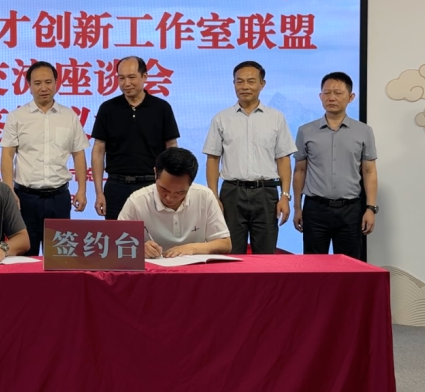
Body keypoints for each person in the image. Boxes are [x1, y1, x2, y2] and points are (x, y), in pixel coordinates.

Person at [202, 61, 296, 255]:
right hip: (232, 193)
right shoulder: (221, 118)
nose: (245, 86)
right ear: (234, 84)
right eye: (240, 81)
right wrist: (214, 196)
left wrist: (285, 196)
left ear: (262, 84)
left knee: (266, 254)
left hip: (266, 193)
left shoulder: (276, 118)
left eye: (251, 81)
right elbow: (213, 159)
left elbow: (283, 160)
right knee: (230, 253)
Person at [1, 61, 89, 256]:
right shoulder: (17, 116)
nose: (43, 88)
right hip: (25, 199)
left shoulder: (69, 116)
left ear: (56, 83)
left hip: (59, 198)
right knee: (25, 257)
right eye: (37, 83)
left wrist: (82, 190)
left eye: (48, 82)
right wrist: (9, 190)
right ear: (29, 86)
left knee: (60, 257)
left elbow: (78, 154)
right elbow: (7, 155)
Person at [292, 72, 378, 259]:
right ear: (320, 96)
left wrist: (370, 209)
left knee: (350, 266)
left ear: (351, 97)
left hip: (350, 209)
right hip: (315, 209)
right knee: (313, 266)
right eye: (327, 93)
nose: (331, 98)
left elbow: (369, 171)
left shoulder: (364, 131)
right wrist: (297, 208)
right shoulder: (305, 131)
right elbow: (300, 171)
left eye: (338, 93)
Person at [91, 56, 180, 220]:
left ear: (144, 76)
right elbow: (98, 150)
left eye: (131, 77)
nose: (126, 83)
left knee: (154, 234)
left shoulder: (161, 108)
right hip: (116, 187)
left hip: (151, 185)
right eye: (121, 78)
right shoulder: (108, 108)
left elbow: (171, 147)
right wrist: (99, 192)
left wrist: (169, 185)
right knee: (116, 234)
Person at [118, 148, 231, 258]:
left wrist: (191, 248)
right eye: (164, 189)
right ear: (155, 173)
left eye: (180, 192)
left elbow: (225, 243)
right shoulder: (137, 201)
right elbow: (115, 245)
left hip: (194, 267)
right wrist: (140, 249)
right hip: (153, 268)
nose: (170, 198)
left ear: (191, 183)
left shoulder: (204, 197)